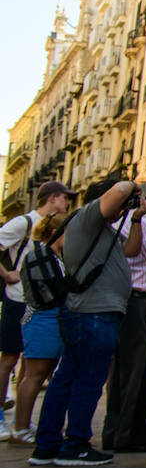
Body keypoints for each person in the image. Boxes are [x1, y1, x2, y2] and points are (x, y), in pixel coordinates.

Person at [30, 179, 146, 467]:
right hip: (94, 313)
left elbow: (132, 250)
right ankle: (76, 444)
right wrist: (132, 184)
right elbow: (119, 190)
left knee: (67, 378)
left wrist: (136, 219)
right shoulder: (88, 217)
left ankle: (47, 445)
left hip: (90, 313)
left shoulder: (103, 229)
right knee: (88, 380)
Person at [0, 180, 73, 443]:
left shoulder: (51, 235)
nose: (68, 203)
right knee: (12, 360)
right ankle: (7, 420)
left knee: (28, 367)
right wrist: (7, 274)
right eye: (66, 198)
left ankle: (23, 422)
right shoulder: (24, 223)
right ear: (52, 198)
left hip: (35, 304)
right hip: (21, 300)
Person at [102, 183, 146, 452]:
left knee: (120, 373)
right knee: (135, 372)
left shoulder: (121, 221)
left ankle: (113, 431)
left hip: (124, 300)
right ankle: (129, 434)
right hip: (141, 302)